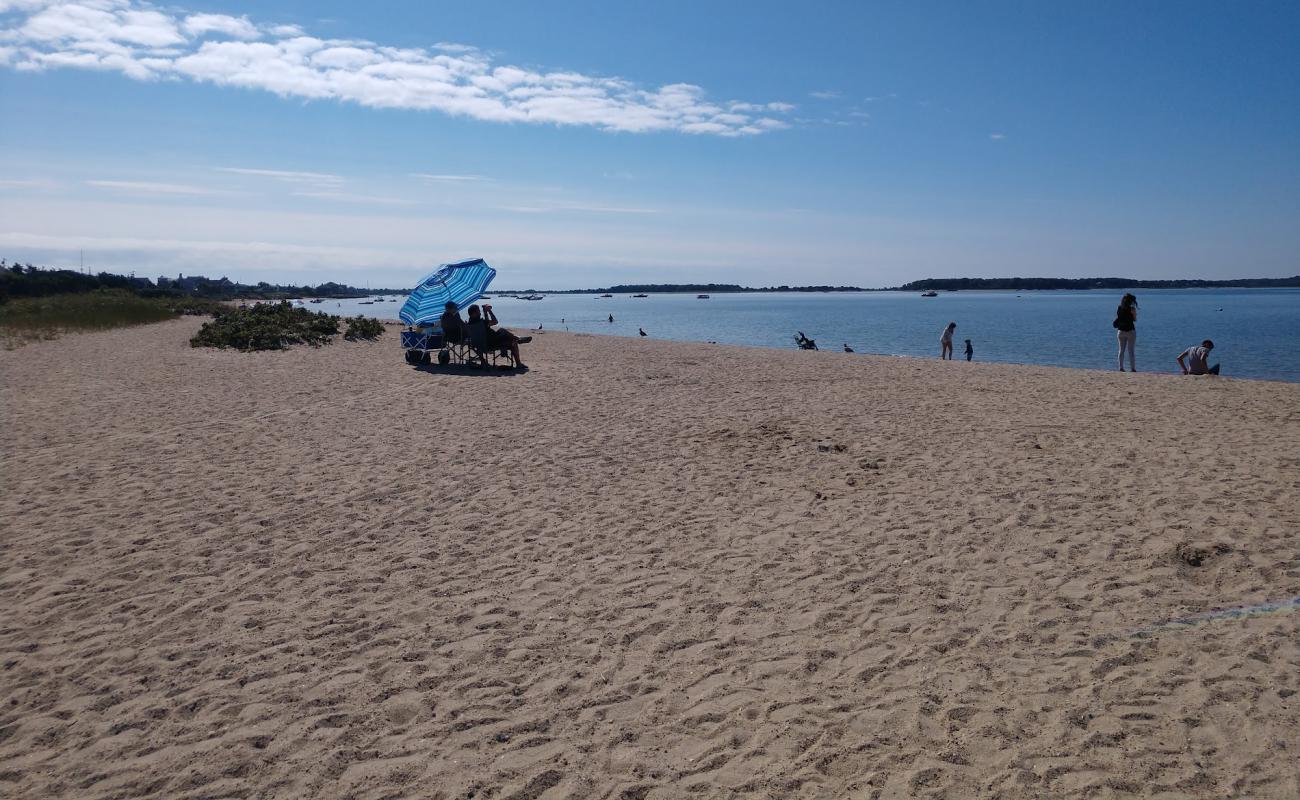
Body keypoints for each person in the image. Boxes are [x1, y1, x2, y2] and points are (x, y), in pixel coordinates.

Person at [467, 304, 529, 369]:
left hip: (482, 345)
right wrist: (489, 311)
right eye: (478, 311)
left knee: (506, 335)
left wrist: (485, 313)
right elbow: (495, 322)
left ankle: (516, 338)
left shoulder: (470, 324)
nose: (480, 313)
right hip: (493, 342)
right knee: (504, 332)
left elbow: (487, 324)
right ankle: (517, 342)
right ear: (474, 313)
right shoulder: (480, 323)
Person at [1114, 293, 1138, 372]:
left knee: (1121, 350)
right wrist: (1133, 314)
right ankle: (1133, 368)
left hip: (1121, 331)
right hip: (1130, 331)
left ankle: (1121, 367)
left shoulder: (1119, 307)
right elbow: (1134, 319)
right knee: (1131, 351)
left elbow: (1118, 317)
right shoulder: (1132, 308)